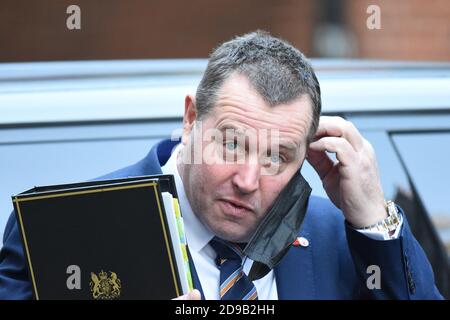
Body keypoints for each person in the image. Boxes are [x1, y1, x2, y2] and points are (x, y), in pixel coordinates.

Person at [0, 31, 442, 300]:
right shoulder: (65, 230)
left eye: (276, 157)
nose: (249, 181)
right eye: (231, 144)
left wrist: (373, 222)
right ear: (191, 119)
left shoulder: (336, 236)